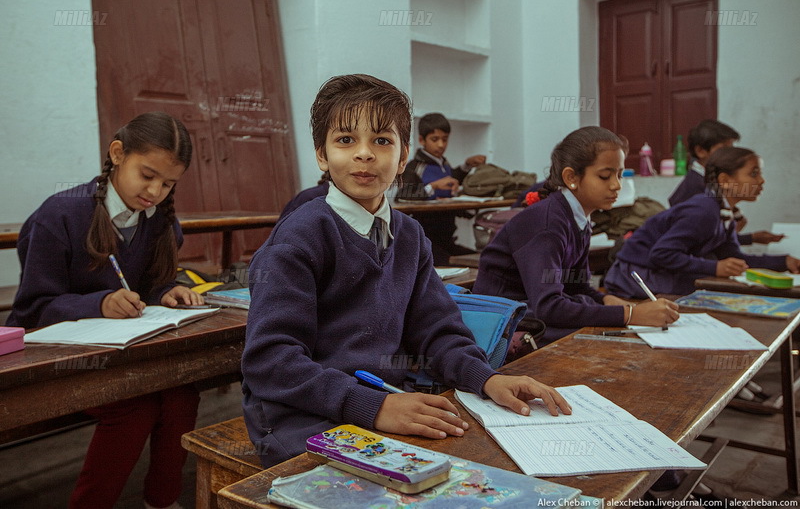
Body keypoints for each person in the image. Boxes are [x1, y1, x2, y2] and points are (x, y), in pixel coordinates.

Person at [241, 74, 571, 468]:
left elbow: (438, 329)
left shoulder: (409, 236)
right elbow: (271, 362)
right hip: (298, 414)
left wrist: (486, 378)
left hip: (384, 397)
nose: (365, 154)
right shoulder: (300, 237)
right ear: (322, 156)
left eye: (382, 140)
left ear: (402, 159)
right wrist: (373, 407)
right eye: (346, 139)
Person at [8, 112, 205, 509]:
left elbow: (150, 285)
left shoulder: (159, 220)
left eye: (168, 184)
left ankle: (163, 501)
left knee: (182, 391)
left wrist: (169, 291)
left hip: (126, 350)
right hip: (63, 358)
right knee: (134, 404)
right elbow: (31, 311)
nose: (155, 191)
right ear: (117, 154)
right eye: (147, 175)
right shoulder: (60, 215)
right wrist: (98, 303)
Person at [472, 127, 678, 346]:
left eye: (619, 175)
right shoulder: (548, 225)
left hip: (534, 313)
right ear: (571, 177)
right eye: (605, 176)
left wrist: (608, 300)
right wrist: (629, 315)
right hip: (502, 325)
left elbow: (577, 286)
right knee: (610, 342)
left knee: (611, 331)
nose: (616, 185)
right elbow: (549, 307)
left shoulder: (578, 217)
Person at [605, 146, 800, 298]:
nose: (762, 181)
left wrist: (784, 261)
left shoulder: (725, 213)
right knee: (712, 300)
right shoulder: (703, 210)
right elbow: (662, 254)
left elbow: (735, 259)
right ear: (725, 180)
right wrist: (714, 267)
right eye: (754, 174)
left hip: (661, 273)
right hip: (636, 276)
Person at [668, 119, 782, 245]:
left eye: (732, 149)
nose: (731, 155)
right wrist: (751, 238)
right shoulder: (694, 189)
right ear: (701, 151)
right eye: (724, 150)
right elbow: (700, 242)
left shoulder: (712, 183)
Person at [396, 112, 485, 265]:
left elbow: (452, 177)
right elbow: (402, 195)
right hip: (425, 243)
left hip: (447, 240)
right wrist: (433, 187)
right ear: (421, 140)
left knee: (482, 259)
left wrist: (467, 166)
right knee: (460, 262)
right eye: (435, 139)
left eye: (445, 139)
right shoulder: (414, 167)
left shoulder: (443, 163)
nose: (441, 145)